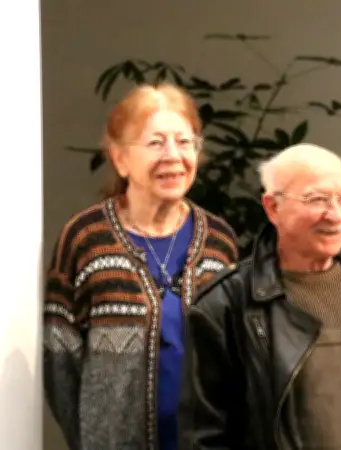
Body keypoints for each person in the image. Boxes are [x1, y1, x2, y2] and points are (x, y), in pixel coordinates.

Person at [177, 143, 341, 450]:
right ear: (272, 207)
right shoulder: (226, 303)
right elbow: (204, 437)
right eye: (317, 199)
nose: (335, 215)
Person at [43, 83, 240, 450]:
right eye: (155, 143)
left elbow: (234, 357)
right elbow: (60, 358)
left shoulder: (220, 240)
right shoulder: (86, 238)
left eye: (185, 142)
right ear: (120, 159)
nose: (173, 156)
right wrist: (94, 437)